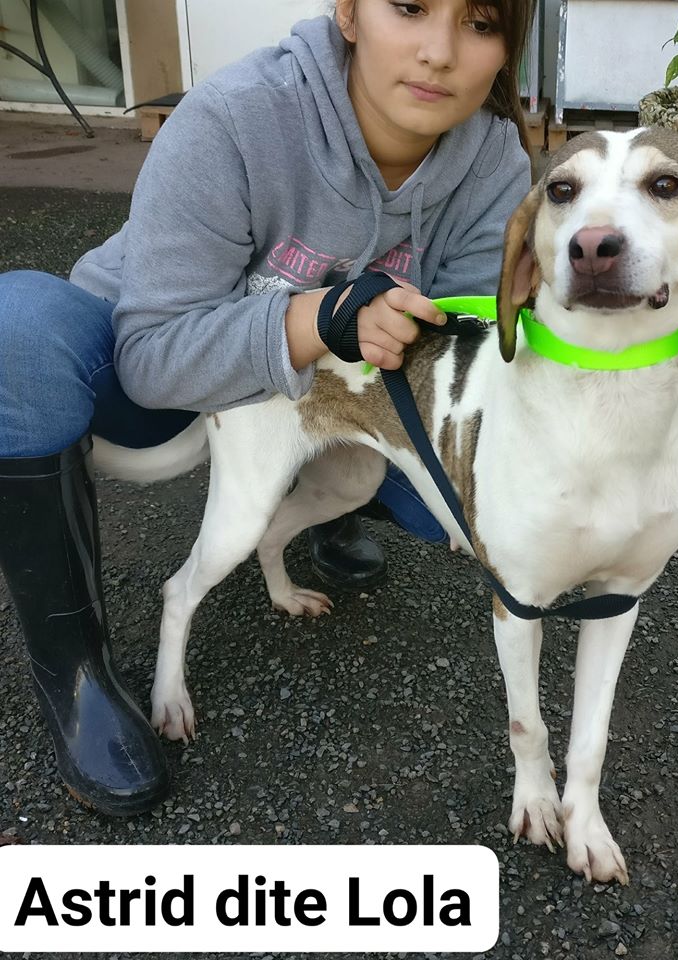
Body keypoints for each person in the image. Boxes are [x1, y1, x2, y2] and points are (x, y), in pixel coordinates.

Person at [0, 0, 533, 815]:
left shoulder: (494, 161)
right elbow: (152, 358)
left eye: (482, 22)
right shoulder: (237, 114)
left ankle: (326, 507)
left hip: (342, 385)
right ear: (349, 11)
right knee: (17, 333)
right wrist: (321, 319)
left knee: (457, 510)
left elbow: (464, 360)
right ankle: (76, 678)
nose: (439, 50)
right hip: (154, 367)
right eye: (410, 6)